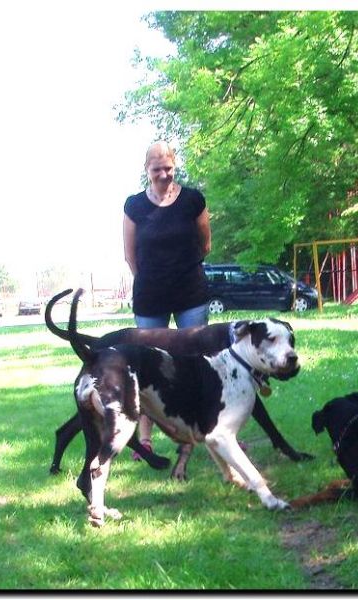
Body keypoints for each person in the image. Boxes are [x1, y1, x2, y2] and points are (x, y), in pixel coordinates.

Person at [123, 140, 212, 457]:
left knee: (199, 364)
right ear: (147, 169)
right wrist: (151, 279)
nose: (163, 174)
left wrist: (181, 271)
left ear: (175, 166)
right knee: (146, 367)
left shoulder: (193, 200)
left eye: (168, 168)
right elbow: (130, 255)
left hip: (191, 293)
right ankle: (145, 440)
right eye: (157, 169)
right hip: (150, 297)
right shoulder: (134, 206)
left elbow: (205, 244)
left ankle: (209, 432)